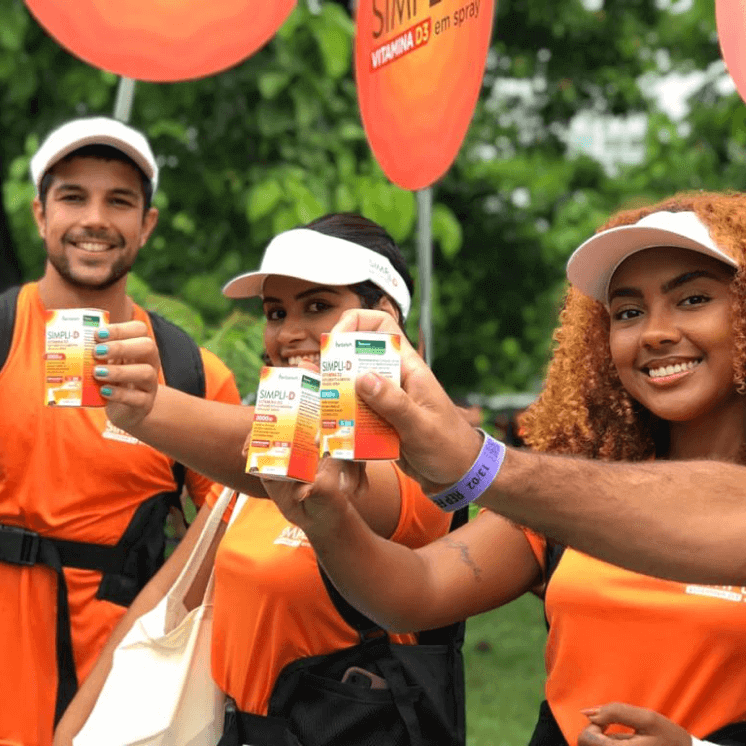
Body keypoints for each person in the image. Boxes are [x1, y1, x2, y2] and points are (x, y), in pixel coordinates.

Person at [263, 192, 746, 746]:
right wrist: (325, 517)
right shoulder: (573, 493)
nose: (656, 332)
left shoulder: (560, 493)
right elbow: (412, 593)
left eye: (693, 299)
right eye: (629, 312)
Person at [55, 213, 455, 745]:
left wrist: (149, 407)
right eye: (275, 311)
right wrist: (73, 734)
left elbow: (305, 460)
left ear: (382, 316)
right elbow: (160, 604)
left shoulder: (417, 467)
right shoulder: (241, 489)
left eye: (317, 306)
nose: (289, 333)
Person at [0, 116, 241, 746]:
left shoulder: (194, 373)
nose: (96, 219)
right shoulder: (1, 334)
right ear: (39, 214)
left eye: (120, 201)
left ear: (148, 224)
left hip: (117, 686)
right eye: (73, 196)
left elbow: (231, 530)